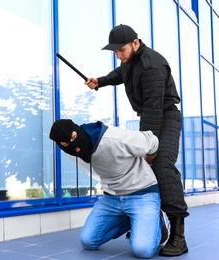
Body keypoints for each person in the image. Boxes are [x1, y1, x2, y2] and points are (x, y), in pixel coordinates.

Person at [85, 24, 189, 256]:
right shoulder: (129, 61)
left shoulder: (152, 66)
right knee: (142, 165)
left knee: (161, 166)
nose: (118, 56)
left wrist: (147, 146)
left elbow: (153, 110)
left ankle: (179, 236)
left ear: (135, 43)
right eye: (115, 53)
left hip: (166, 117)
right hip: (150, 117)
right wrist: (99, 81)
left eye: (121, 50)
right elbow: (120, 74)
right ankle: (152, 222)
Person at [49, 119, 168, 259]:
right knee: (88, 241)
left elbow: (152, 141)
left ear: (77, 130)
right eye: (65, 144)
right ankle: (134, 219)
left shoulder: (114, 138)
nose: (72, 145)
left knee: (142, 251)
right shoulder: (73, 153)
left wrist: (148, 162)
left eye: (74, 138)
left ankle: (157, 220)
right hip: (112, 197)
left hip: (142, 192)